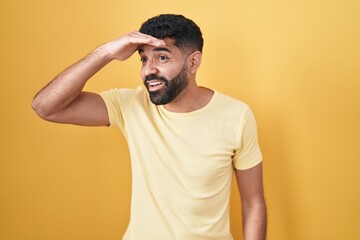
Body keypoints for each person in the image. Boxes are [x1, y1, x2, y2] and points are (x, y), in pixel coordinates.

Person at [32, 14, 266, 240]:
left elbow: (253, 202)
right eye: (144, 59)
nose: (148, 70)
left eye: (162, 57)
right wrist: (105, 52)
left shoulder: (237, 115)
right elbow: (45, 106)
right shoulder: (129, 105)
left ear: (193, 62)